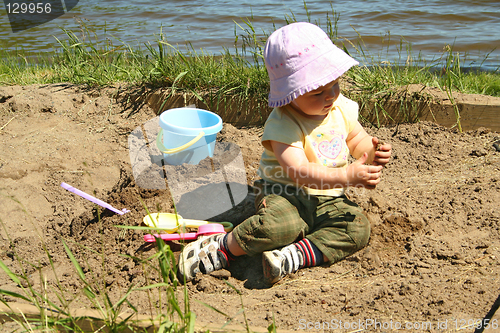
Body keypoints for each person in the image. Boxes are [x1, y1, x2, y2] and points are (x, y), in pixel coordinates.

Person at [177, 22, 392, 285]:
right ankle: (221, 247)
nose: (331, 96)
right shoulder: (283, 123)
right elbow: (299, 172)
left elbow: (356, 139)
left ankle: (293, 255)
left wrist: (371, 152)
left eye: (335, 84)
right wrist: (347, 176)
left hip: (327, 196)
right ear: (291, 93)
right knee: (277, 227)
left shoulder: (340, 107)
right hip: (284, 194)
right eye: (317, 91)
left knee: (357, 227)